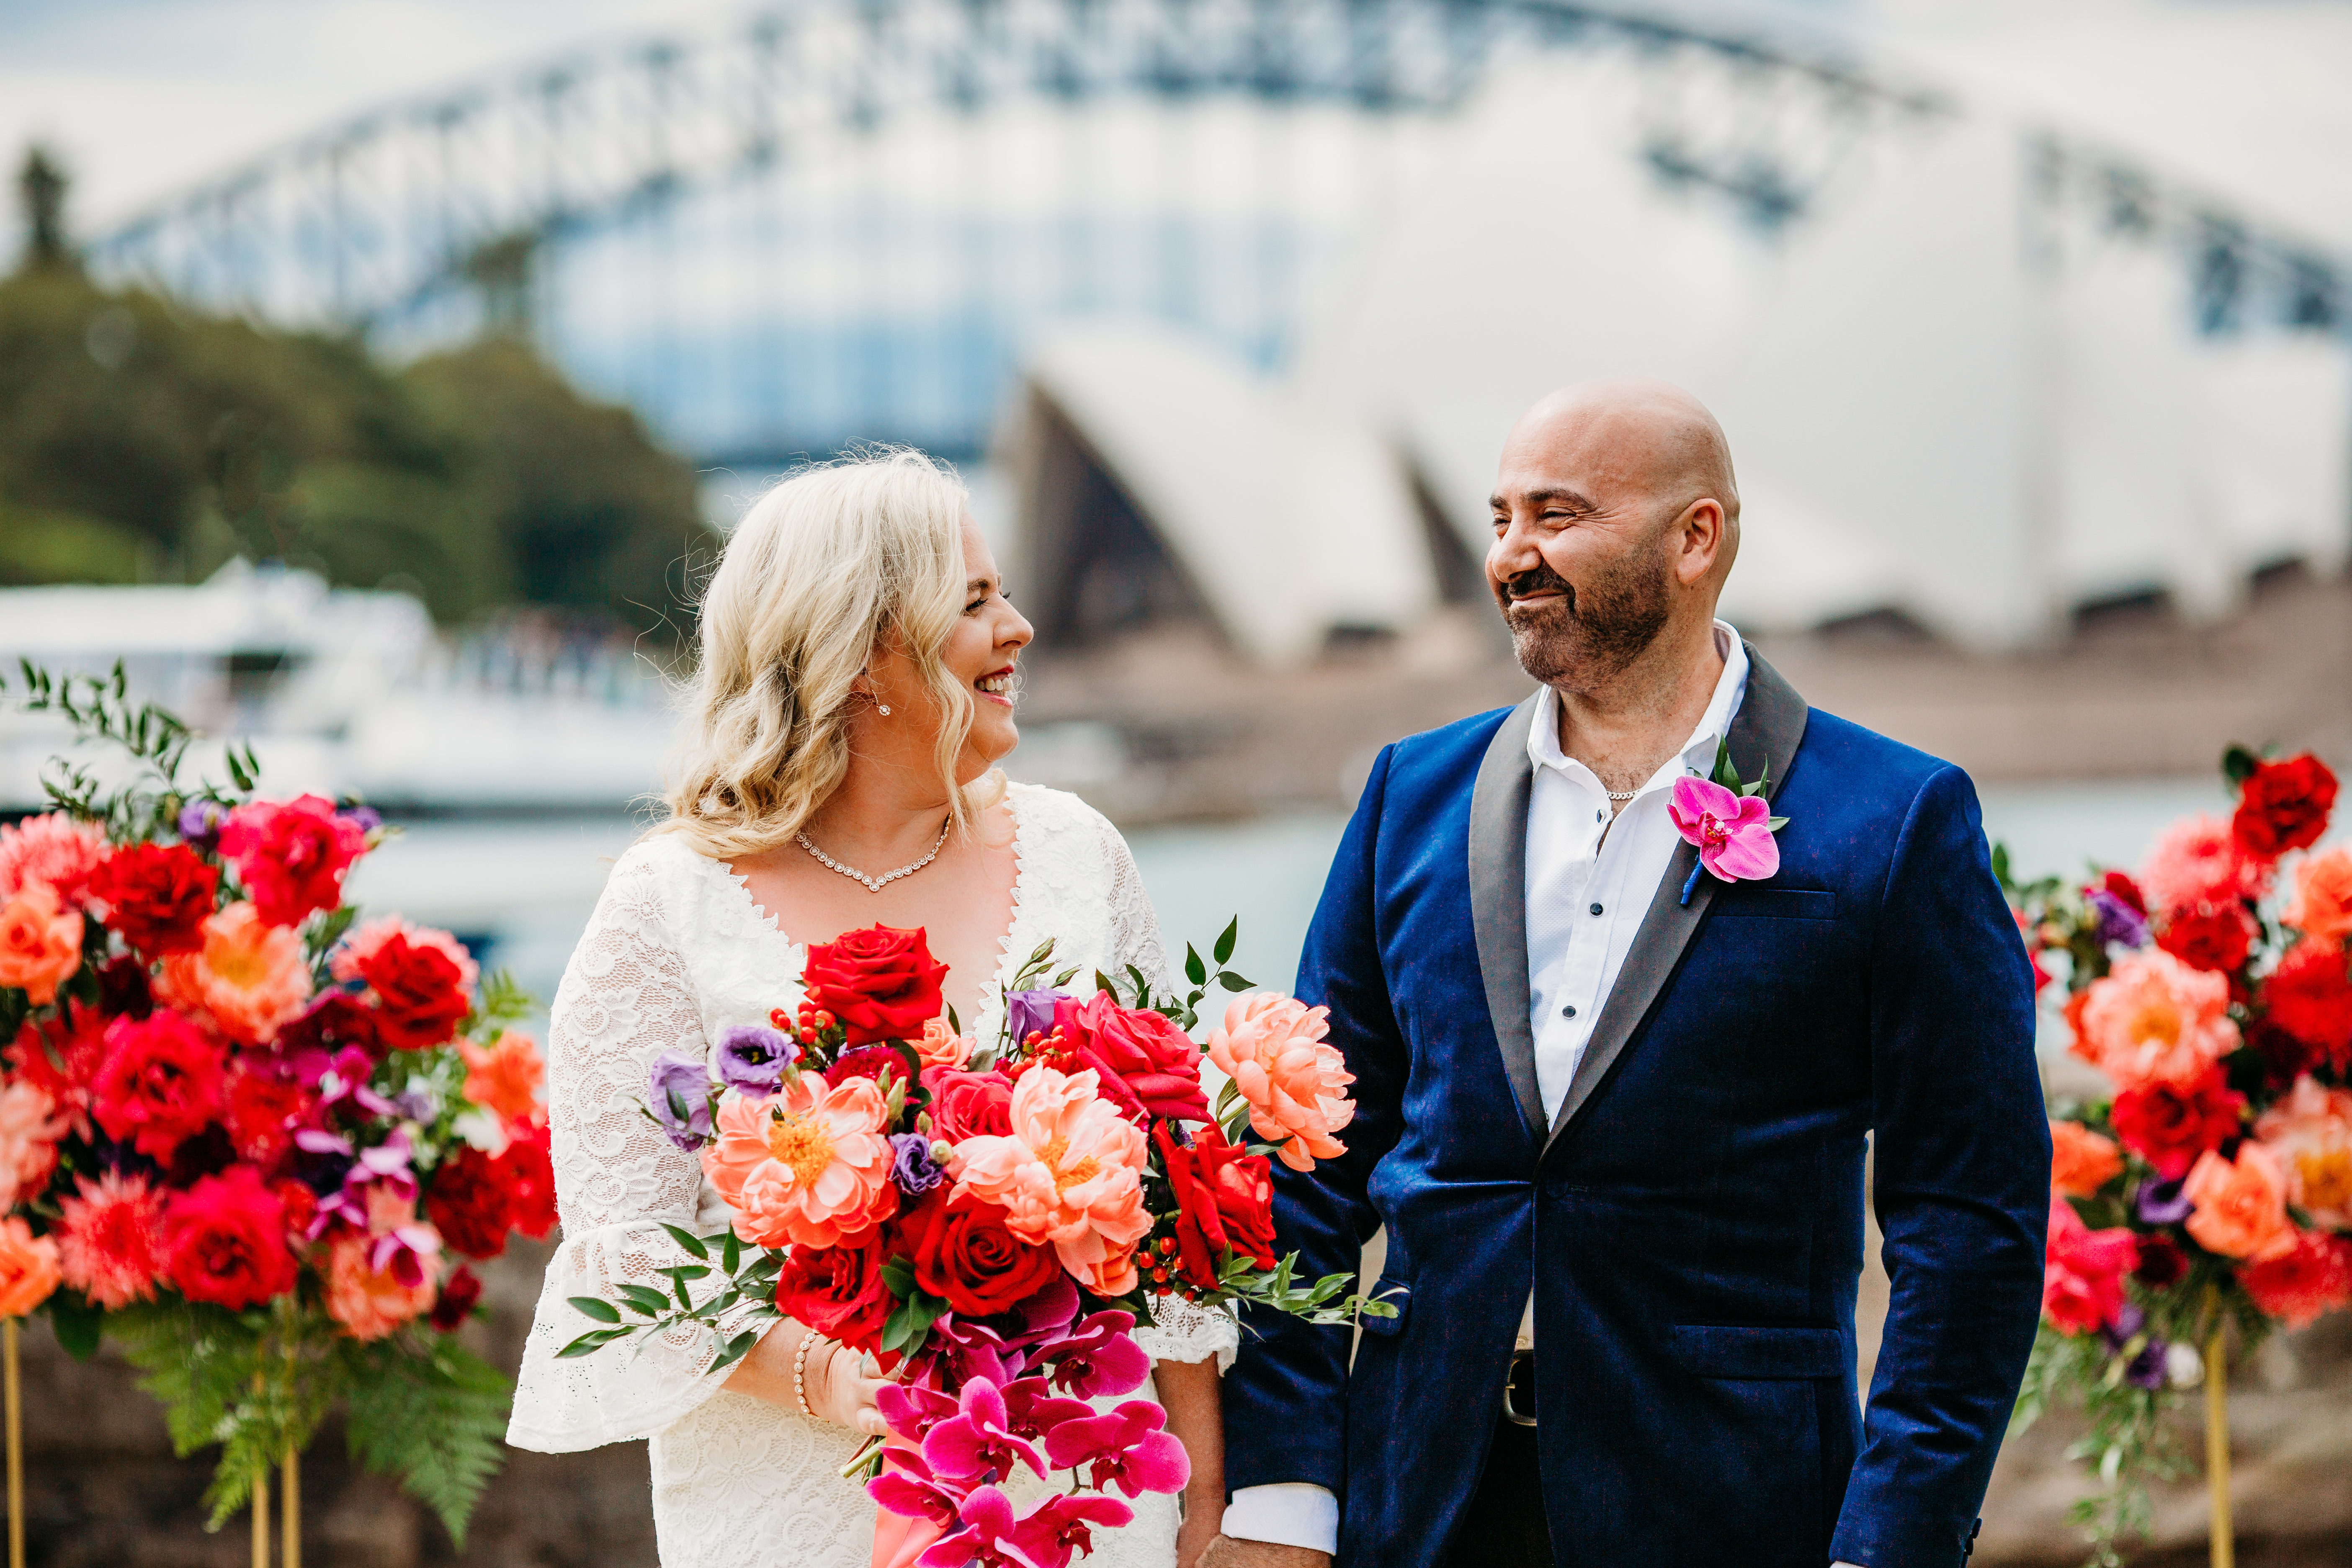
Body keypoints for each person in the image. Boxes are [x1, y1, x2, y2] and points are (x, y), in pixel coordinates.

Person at [1205, 381, 2051, 1567]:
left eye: (1557, 515)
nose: (1513, 554)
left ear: (1695, 538)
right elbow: (1302, 1163)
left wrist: (1892, 1541)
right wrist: (1285, 1492)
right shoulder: (1408, 798)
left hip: (1736, 1510)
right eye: (1501, 518)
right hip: (1419, 1504)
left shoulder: (1894, 819)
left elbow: (1969, 1223)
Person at [507, 448, 1234, 1568]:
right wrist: (826, 1373)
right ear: (861, 652)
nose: (1020, 627)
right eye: (975, 602)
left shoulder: (1079, 856)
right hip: (794, 1504)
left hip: (1077, 1492)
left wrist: (1206, 1508)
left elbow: (1175, 1218)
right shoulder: (667, 904)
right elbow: (627, 1254)